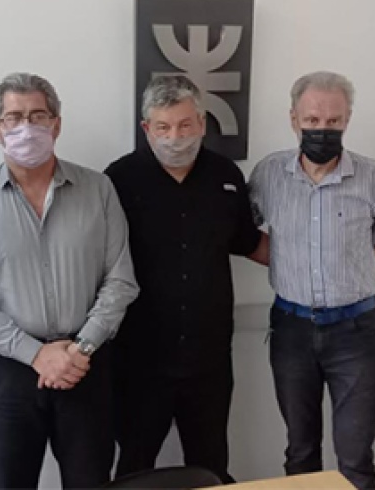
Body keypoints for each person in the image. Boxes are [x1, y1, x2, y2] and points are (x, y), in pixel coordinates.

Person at [0, 72, 139, 489]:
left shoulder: (98, 189)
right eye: (14, 118)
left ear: (57, 123)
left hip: (85, 364)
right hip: (9, 372)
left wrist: (80, 348)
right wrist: (36, 354)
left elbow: (120, 280)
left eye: (38, 116)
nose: (26, 127)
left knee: (91, 483)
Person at [105, 75, 268, 483]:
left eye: (184, 124)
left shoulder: (226, 176)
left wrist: (317, 260)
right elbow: (98, 261)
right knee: (134, 467)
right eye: (163, 127)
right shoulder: (118, 180)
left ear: (201, 123)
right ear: (146, 128)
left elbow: (249, 243)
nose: (175, 137)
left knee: (210, 466)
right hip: (140, 358)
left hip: (208, 359)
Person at [248, 71, 375, 489]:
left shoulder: (374, 178)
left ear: (348, 119)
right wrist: (289, 258)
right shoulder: (268, 175)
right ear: (293, 119)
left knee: (356, 458)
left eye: (333, 121)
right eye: (312, 120)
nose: (323, 129)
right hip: (292, 331)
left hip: (357, 333)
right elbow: (244, 236)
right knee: (300, 452)